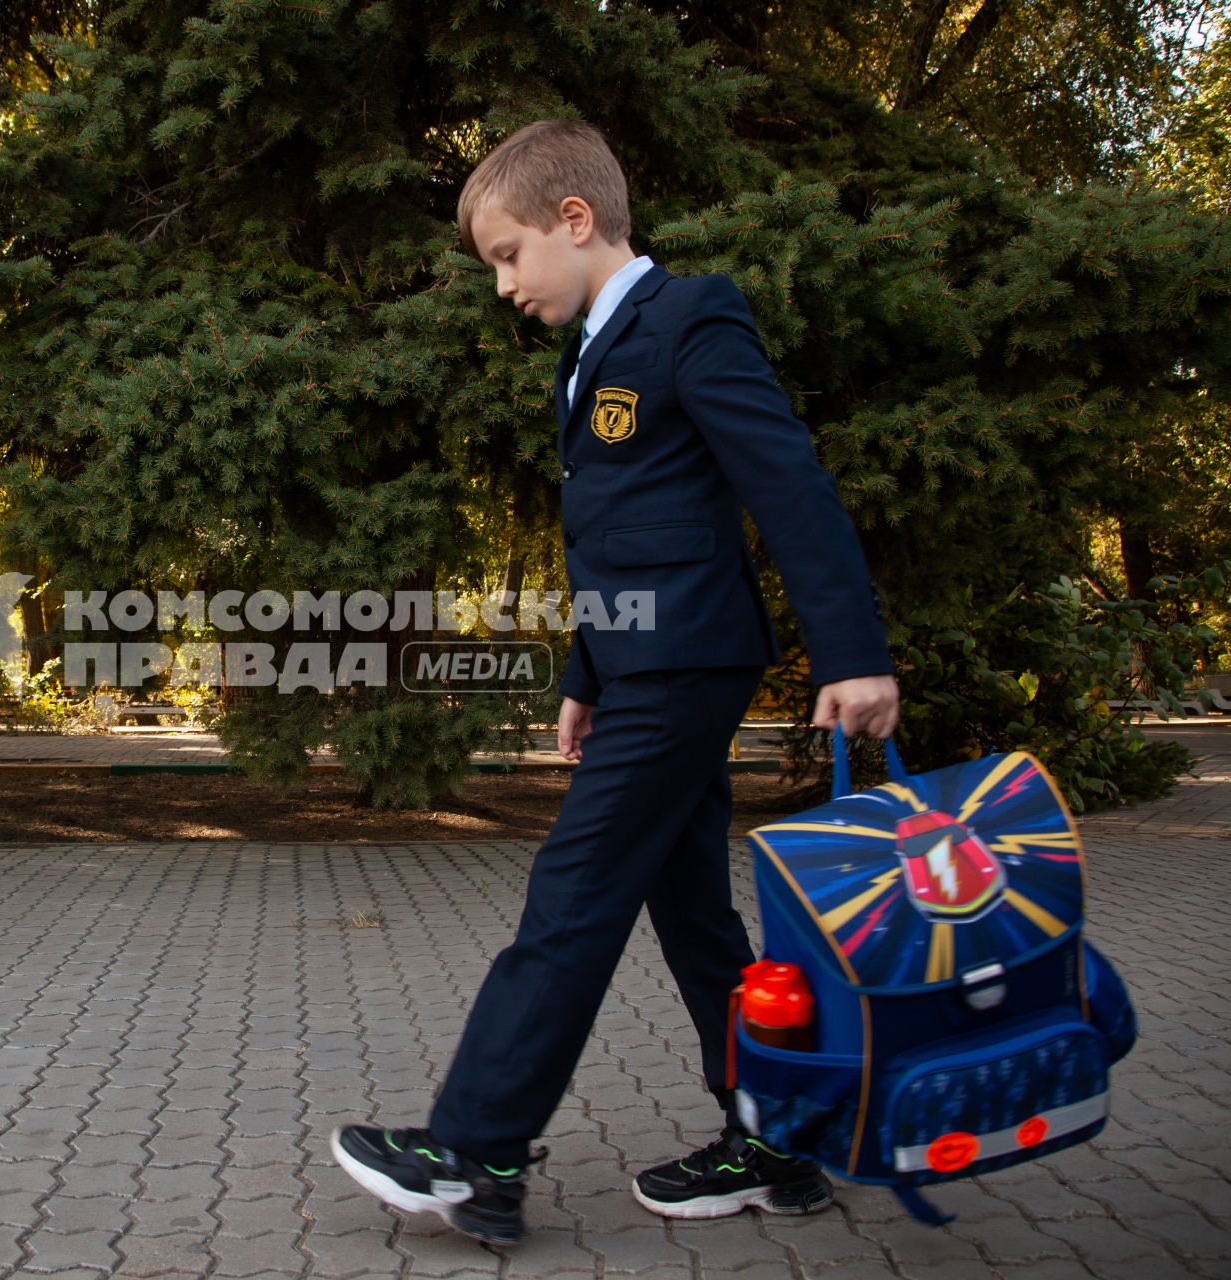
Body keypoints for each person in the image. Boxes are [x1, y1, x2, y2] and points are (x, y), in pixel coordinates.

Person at [328, 118, 901, 1246]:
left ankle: (476, 1149)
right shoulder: (585, 351)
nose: (502, 284)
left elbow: (787, 481)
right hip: (642, 661)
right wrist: (585, 671)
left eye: (507, 255)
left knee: (573, 891)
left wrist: (852, 653)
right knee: (693, 916)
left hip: (688, 662)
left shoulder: (691, 316)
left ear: (575, 221)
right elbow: (625, 533)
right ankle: (776, 1137)